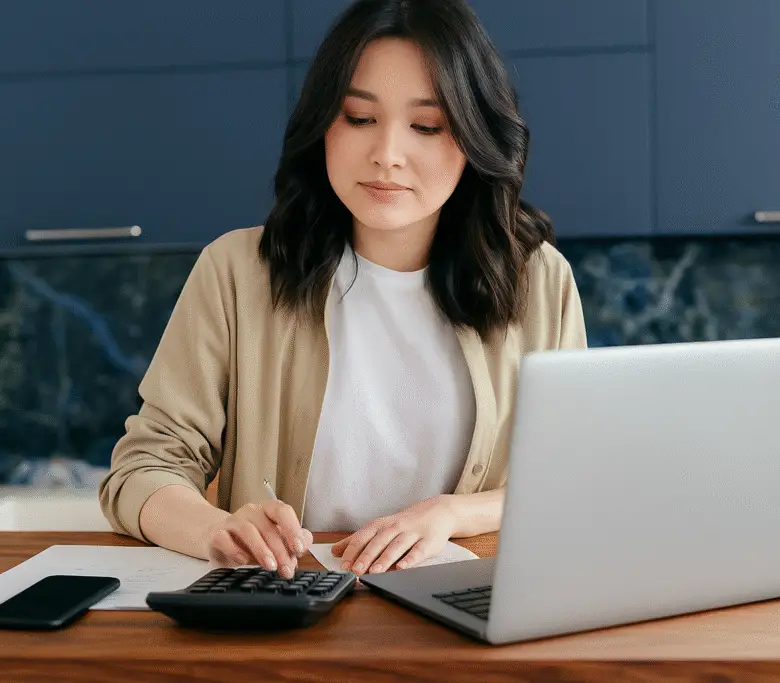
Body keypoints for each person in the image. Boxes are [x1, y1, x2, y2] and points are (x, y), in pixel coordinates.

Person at [98, 0, 587, 581]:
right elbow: (143, 467)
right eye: (358, 117)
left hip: (463, 610)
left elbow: (568, 480)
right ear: (324, 125)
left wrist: (449, 514)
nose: (386, 154)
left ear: (474, 140)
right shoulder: (236, 271)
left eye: (427, 126)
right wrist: (214, 529)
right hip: (283, 610)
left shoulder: (538, 281)